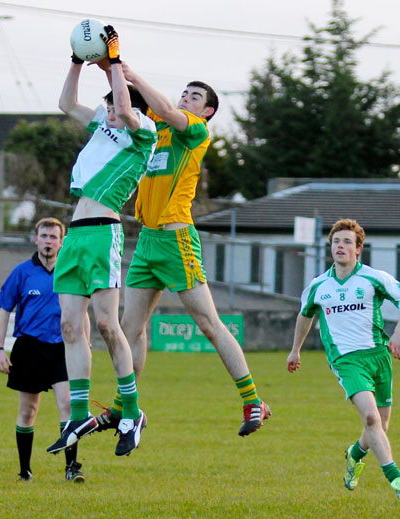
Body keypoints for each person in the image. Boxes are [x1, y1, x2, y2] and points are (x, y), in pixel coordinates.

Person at [94, 62, 271, 438]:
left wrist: (135, 74)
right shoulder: (157, 125)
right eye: (184, 93)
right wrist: (110, 67)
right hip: (147, 241)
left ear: (206, 111)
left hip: (177, 240)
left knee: (208, 324)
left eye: (195, 97)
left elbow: (166, 109)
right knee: (129, 329)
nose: (185, 98)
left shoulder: (195, 131)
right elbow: (130, 105)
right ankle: (126, 406)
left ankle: (253, 399)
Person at [46, 25, 157, 458]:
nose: (108, 110)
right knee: (71, 327)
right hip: (75, 235)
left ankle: (130, 411)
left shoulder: (141, 132)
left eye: (114, 104)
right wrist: (78, 60)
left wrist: (113, 63)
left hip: (104, 234)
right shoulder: (103, 124)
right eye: (108, 105)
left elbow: (128, 111)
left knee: (109, 325)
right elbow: (65, 103)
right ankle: (77, 413)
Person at [286, 219, 400, 500]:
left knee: (379, 426)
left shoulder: (373, 277)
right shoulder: (318, 285)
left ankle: (355, 453)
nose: (340, 246)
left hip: (379, 356)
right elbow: (305, 315)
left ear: (358, 249)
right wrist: (295, 349)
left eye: (347, 242)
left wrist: (399, 332)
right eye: (336, 242)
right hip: (346, 359)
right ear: (330, 247)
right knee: (370, 417)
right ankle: (395, 479)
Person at [0, 218, 85, 482]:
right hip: (29, 348)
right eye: (43, 236)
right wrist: (0, 349)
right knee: (28, 410)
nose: (48, 241)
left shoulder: (70, 271)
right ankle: (25, 470)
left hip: (63, 348)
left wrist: (84, 344)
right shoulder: (22, 272)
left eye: (53, 237)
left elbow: (82, 311)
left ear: (61, 241)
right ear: (36, 239)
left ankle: (71, 468)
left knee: (68, 404)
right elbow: (3, 311)